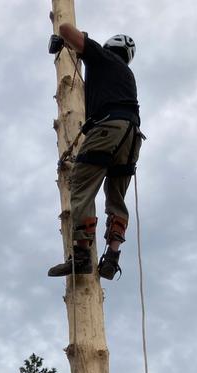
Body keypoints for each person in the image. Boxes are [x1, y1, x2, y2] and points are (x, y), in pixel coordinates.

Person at [47, 26, 142, 281]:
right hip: (131, 137)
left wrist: (64, 36)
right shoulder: (125, 74)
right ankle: (112, 257)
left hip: (107, 129)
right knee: (116, 197)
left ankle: (81, 255)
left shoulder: (102, 57)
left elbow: (67, 29)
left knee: (81, 184)